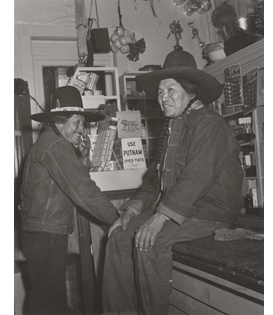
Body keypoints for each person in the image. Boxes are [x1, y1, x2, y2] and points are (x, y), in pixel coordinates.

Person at [102, 49, 244, 315]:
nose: (163, 98)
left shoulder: (209, 124)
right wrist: (132, 210)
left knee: (149, 242)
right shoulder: (173, 128)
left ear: (191, 92)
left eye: (170, 90)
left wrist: (158, 219)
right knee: (119, 237)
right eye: (160, 92)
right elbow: (155, 181)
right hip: (182, 210)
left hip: (208, 212)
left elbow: (196, 177)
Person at [19, 86, 119, 315]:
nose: (81, 129)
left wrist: (82, 160)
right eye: (76, 122)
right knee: (48, 304)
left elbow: (70, 183)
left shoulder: (52, 142)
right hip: (46, 234)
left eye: (82, 123)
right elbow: (83, 192)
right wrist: (118, 220)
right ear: (59, 122)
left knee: (48, 300)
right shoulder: (56, 146)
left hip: (42, 231)